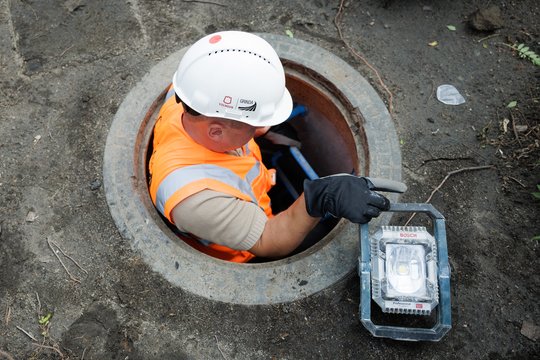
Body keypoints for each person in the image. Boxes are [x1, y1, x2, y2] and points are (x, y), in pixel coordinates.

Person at [148, 31, 392, 263]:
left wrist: (255, 127)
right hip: (242, 253)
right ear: (216, 131)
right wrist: (319, 197)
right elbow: (269, 239)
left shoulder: (189, 97)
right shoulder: (195, 200)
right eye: (256, 122)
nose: (264, 127)